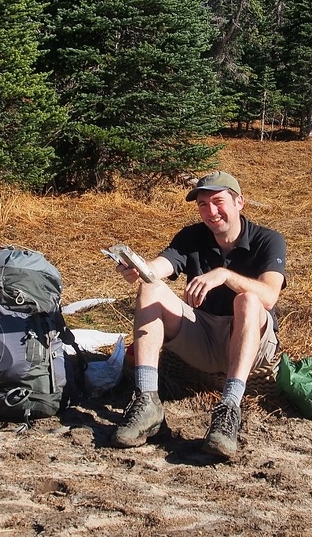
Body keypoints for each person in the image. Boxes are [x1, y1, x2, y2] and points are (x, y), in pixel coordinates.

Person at [111, 171, 286, 458]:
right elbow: (161, 267)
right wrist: (139, 269)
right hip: (203, 336)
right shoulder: (192, 236)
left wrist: (224, 275)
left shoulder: (268, 240)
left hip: (252, 341)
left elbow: (269, 296)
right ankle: (147, 402)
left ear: (239, 202)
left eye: (218, 202)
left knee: (248, 301)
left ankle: (229, 410)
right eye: (203, 204)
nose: (211, 211)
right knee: (149, 288)